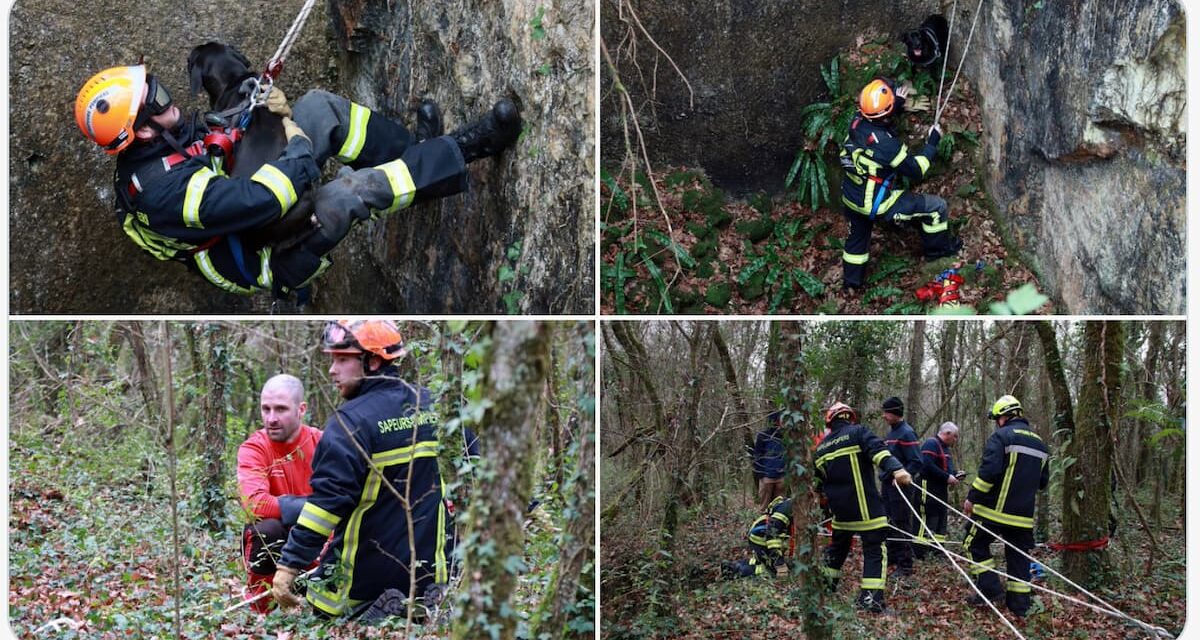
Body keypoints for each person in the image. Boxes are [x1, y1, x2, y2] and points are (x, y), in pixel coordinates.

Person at [74, 64, 521, 298]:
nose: (164, 95)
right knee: (348, 194)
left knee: (321, 108)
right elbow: (266, 197)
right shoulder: (161, 193)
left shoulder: (155, 141)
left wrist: (247, 109)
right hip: (259, 255)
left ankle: (423, 156)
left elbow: (204, 143)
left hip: (237, 207)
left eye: (158, 88)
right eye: (156, 98)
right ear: (144, 129)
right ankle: (468, 148)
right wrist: (293, 137)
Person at [271, 320, 453, 622]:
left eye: (342, 360)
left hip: (361, 584)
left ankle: (360, 616)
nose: (332, 370)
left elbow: (326, 506)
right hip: (428, 575)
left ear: (374, 360)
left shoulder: (349, 423)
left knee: (313, 609)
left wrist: (289, 566)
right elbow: (478, 467)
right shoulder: (433, 403)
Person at [837, 77, 961, 289]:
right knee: (936, 207)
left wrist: (898, 105)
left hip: (851, 197)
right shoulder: (888, 146)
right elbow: (917, 169)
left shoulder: (856, 122)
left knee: (856, 241)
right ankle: (939, 252)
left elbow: (877, 120)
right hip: (878, 203)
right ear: (885, 115)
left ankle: (851, 283)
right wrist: (932, 141)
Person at [235, 374, 323, 613]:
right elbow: (255, 505)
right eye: (266, 409)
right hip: (278, 545)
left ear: (301, 409)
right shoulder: (254, 447)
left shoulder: (322, 443)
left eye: (281, 409)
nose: (271, 419)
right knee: (266, 529)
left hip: (320, 541)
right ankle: (263, 609)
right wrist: (317, 508)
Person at [814, 402, 911, 613]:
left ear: (829, 421)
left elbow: (817, 484)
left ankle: (824, 589)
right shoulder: (858, 432)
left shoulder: (821, 448)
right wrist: (898, 470)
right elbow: (879, 452)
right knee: (875, 551)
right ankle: (870, 601)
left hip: (840, 514)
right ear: (850, 418)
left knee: (837, 550)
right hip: (867, 510)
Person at [963, 395, 1049, 617]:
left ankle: (991, 590)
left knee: (973, 545)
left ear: (1004, 416)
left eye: (997, 418)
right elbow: (1043, 482)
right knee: (1019, 557)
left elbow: (988, 474)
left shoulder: (1001, 436)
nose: (996, 422)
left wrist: (972, 497)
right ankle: (1019, 606)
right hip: (1022, 517)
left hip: (992, 511)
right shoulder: (1041, 444)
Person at [879, 396, 922, 577]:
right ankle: (893, 557)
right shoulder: (891, 434)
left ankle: (905, 565)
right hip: (888, 486)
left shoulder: (907, 433)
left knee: (901, 523)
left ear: (896, 412)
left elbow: (916, 461)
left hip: (901, 488)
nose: (884, 416)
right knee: (889, 522)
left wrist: (902, 477)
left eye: (887, 412)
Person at [913, 421, 961, 559]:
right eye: (955, 436)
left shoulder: (945, 448)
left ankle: (938, 550)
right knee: (925, 517)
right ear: (947, 433)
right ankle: (919, 551)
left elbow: (943, 468)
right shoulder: (931, 443)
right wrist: (947, 477)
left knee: (940, 518)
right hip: (927, 487)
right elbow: (927, 465)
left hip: (940, 489)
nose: (956, 440)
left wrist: (955, 474)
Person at [721, 496, 793, 579]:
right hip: (761, 538)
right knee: (769, 571)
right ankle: (733, 570)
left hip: (765, 536)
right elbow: (772, 535)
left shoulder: (798, 506)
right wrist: (779, 563)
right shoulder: (786, 509)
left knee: (761, 563)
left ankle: (735, 564)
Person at [753, 411, 786, 509]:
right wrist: (761, 475)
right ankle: (764, 523)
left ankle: (777, 524)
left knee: (780, 506)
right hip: (767, 477)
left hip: (782, 476)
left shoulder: (785, 436)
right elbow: (757, 456)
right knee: (764, 507)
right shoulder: (763, 436)